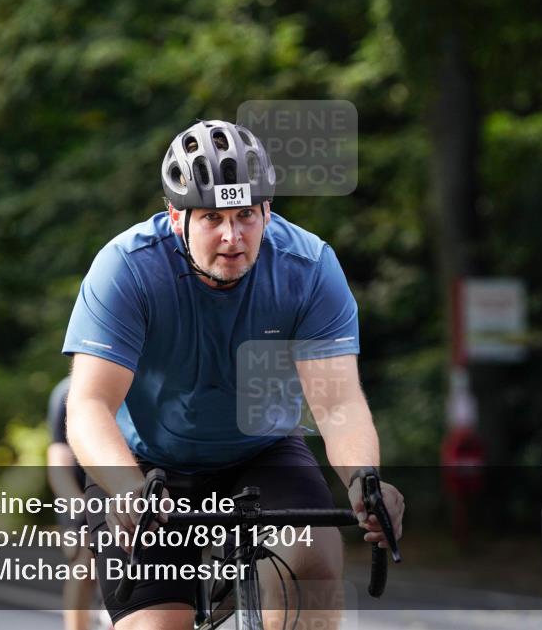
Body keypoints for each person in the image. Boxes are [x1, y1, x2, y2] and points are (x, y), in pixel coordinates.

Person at [62, 119, 404, 630]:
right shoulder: (127, 268)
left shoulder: (307, 267)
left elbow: (337, 403)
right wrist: (127, 488)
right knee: (156, 625)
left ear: (268, 210)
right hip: (147, 464)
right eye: (212, 218)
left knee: (312, 564)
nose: (232, 236)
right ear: (176, 217)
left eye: (245, 214)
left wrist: (363, 480)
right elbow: (89, 404)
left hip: (262, 450)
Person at [47, 376, 112, 630]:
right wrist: (77, 504)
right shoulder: (64, 393)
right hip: (78, 491)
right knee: (84, 562)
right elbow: (58, 459)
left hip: (115, 484)